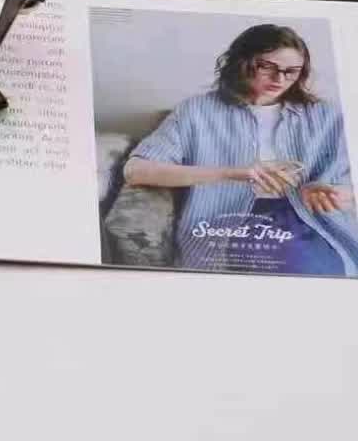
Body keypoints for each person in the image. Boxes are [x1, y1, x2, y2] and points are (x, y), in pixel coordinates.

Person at [124, 24, 358, 276]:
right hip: (226, 219)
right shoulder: (197, 111)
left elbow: (348, 184)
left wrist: (334, 193)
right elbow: (135, 171)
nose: (280, 79)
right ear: (241, 61)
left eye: (291, 71)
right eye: (267, 67)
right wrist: (233, 173)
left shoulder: (326, 116)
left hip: (308, 219)